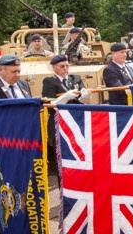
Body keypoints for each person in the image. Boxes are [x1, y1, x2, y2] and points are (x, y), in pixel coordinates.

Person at [42, 55, 90, 183]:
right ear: (54, 68)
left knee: (80, 156)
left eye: (67, 65)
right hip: (59, 122)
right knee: (61, 159)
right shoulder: (49, 81)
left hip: (77, 121)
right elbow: (49, 104)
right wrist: (65, 97)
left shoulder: (76, 78)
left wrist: (85, 98)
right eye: (62, 66)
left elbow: (82, 101)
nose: (65, 69)